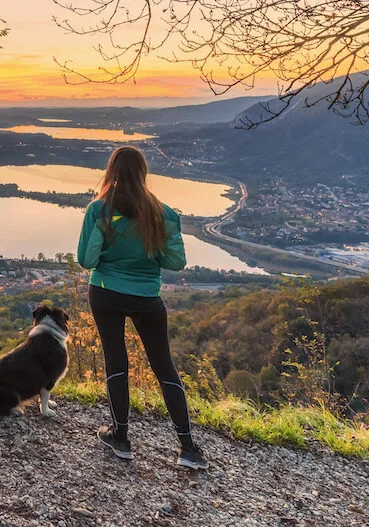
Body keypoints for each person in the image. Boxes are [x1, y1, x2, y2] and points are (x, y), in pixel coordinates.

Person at [75, 146, 209, 470]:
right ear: (144, 173)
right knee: (165, 368)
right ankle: (188, 447)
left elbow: (86, 260)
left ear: (111, 172)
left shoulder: (99, 211)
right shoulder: (164, 214)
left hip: (106, 292)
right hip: (147, 297)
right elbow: (175, 260)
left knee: (116, 362)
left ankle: (120, 438)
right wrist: (149, 255)